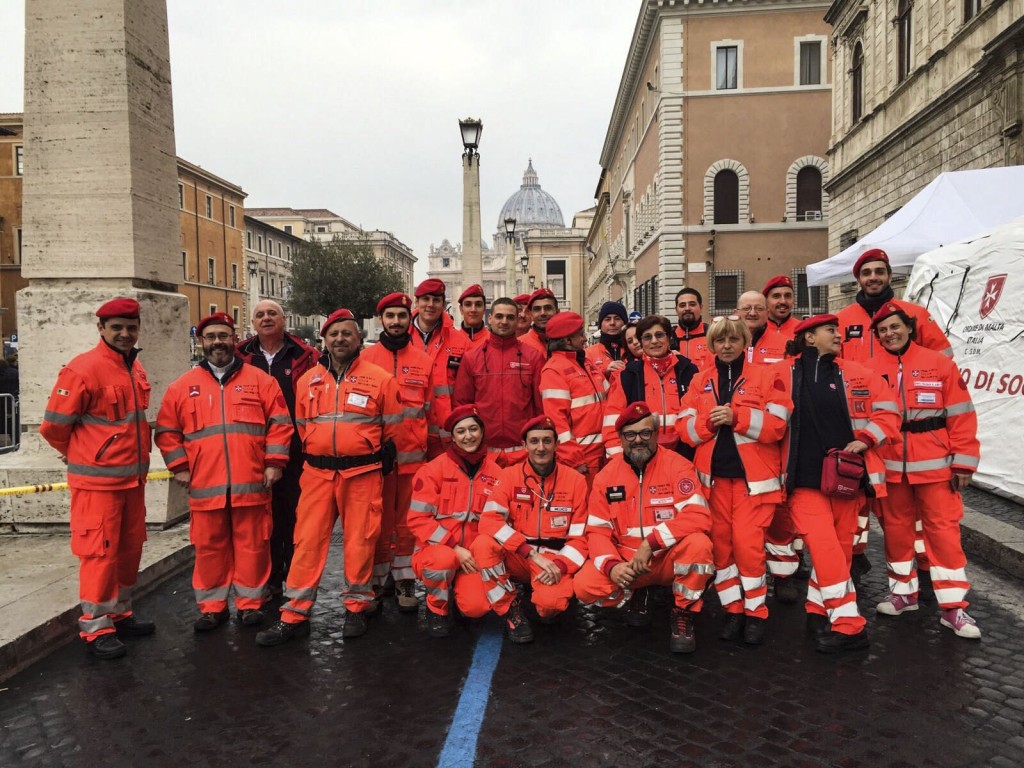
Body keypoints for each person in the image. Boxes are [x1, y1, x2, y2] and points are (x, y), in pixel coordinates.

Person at [256, 309, 403, 646]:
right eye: (333, 334)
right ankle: (294, 613)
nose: (340, 339)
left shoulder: (380, 379)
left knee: (360, 541)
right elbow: (304, 427)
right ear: (324, 339)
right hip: (317, 474)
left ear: (357, 339)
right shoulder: (308, 380)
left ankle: (357, 606)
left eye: (347, 334)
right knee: (306, 541)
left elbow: (392, 429)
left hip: (363, 473)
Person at [156, 312, 293, 632]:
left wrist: (274, 464)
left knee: (253, 546)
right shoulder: (182, 387)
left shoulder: (261, 381)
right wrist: (179, 468)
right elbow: (166, 431)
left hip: (252, 484)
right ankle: (212, 607)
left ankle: (250, 604)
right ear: (201, 342)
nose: (218, 342)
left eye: (224, 335)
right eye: (211, 337)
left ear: (235, 339)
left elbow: (280, 424)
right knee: (209, 548)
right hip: (205, 487)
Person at [40, 298, 156, 660]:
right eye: (117, 327)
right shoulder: (82, 370)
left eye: (131, 327)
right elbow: (54, 427)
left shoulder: (134, 369)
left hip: (132, 483)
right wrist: (81, 455)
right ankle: (96, 626)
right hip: (98, 485)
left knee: (128, 550)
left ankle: (120, 614)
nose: (125, 333)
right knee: (99, 555)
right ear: (101, 329)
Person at [776, 314, 900, 653]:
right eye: (830, 330)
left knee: (841, 550)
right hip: (802, 481)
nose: (838, 335)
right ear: (809, 338)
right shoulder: (782, 372)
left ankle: (818, 611)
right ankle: (850, 627)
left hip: (847, 479)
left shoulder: (857, 373)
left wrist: (865, 438)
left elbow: (889, 411)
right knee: (826, 549)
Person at [837, 248, 952, 582]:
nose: (873, 277)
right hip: (860, 429)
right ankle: (855, 556)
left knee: (907, 511)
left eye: (879, 271)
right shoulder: (844, 320)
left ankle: (926, 565)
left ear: (889, 275)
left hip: (914, 431)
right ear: (857, 278)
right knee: (856, 502)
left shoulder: (915, 314)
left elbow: (943, 361)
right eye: (867, 272)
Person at [870, 303, 982, 638]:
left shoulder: (939, 364)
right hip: (890, 465)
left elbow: (961, 414)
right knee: (896, 530)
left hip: (936, 466)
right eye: (884, 330)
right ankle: (904, 593)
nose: (890, 334)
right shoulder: (870, 368)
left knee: (944, 535)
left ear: (909, 327)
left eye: (895, 327)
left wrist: (964, 460)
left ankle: (954, 608)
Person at [677, 316, 790, 645]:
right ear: (711, 345)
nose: (727, 346)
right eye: (720, 341)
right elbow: (683, 429)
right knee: (722, 550)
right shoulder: (700, 381)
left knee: (749, 547)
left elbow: (778, 425)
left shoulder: (766, 377)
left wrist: (737, 417)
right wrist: (709, 425)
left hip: (752, 483)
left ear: (745, 343)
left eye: (733, 340)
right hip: (711, 483)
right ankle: (734, 609)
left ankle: (756, 612)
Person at [574, 403, 715, 654]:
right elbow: (597, 531)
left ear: (656, 434)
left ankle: (683, 611)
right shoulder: (606, 477)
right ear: (620, 439)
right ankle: (635, 592)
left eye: (645, 433)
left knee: (700, 545)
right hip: (628, 563)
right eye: (630, 434)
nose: (638, 440)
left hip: (666, 558)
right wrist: (612, 566)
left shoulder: (678, 466)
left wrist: (650, 543)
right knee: (584, 586)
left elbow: (699, 516)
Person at [472, 416, 589, 643]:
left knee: (550, 607)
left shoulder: (576, 481)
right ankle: (509, 608)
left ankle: (550, 593)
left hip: (554, 558)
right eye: (534, 441)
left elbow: (581, 537)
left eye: (547, 441)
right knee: (483, 544)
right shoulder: (508, 477)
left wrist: (560, 565)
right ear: (525, 446)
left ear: (556, 445)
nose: (541, 447)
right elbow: (489, 521)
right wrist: (529, 552)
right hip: (519, 554)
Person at [236, 299, 317, 597]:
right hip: (252, 452)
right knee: (261, 521)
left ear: (284, 320)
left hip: (297, 452)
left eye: (272, 314)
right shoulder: (240, 357)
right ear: (253, 322)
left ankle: (293, 577)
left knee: (294, 516)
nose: (266, 318)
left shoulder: (306, 356)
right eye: (260, 315)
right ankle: (269, 578)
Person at [362, 292, 434, 612]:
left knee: (407, 523)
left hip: (413, 460)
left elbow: (433, 410)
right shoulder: (365, 360)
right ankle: (377, 579)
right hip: (375, 460)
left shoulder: (424, 360)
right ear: (381, 319)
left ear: (410, 319)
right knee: (376, 521)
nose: (395, 321)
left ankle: (405, 578)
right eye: (390, 316)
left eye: (401, 316)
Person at [407, 405, 500, 637]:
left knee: (477, 608)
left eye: (473, 429)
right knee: (443, 561)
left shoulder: (497, 473)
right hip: (438, 551)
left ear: (482, 432)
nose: (468, 436)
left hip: (473, 557)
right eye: (461, 431)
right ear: (453, 437)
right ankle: (436, 608)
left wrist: (481, 553)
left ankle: (460, 593)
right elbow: (418, 520)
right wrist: (454, 547)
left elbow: (499, 522)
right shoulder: (432, 471)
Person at [454, 296, 545, 467]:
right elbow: (462, 405)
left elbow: (540, 407)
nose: (504, 321)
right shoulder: (472, 358)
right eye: (499, 316)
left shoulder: (533, 357)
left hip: (523, 453)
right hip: (483, 454)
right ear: (490, 318)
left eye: (510, 317)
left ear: (518, 320)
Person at [603, 315, 699, 460]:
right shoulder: (627, 376)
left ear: (669, 338)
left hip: (685, 454)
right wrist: (620, 460)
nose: (654, 341)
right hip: (642, 456)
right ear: (641, 343)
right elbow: (612, 423)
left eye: (659, 335)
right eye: (647, 337)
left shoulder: (689, 371)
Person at [539, 312, 609, 483]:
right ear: (567, 341)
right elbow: (557, 421)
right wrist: (574, 459)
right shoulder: (554, 370)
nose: (585, 339)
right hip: (583, 458)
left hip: (603, 453)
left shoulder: (586, 363)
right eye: (581, 334)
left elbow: (610, 397)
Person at [408, 278, 469, 459]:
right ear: (417, 302)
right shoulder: (401, 339)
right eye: (425, 299)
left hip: (447, 436)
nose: (430, 305)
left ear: (443, 304)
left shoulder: (461, 342)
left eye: (436, 300)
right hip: (409, 436)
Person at [669, 288, 713, 369]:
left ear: (701, 307)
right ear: (676, 310)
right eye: (682, 305)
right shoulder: (668, 337)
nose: (687, 308)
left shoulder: (712, 334)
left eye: (692, 304)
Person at [585, 301, 630, 380]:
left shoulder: (633, 350)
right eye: (607, 319)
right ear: (600, 325)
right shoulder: (588, 354)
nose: (612, 323)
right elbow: (585, 382)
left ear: (624, 323)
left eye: (617, 319)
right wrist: (605, 372)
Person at [520, 287, 559, 358]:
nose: (543, 313)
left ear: (557, 312)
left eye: (548, 308)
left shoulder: (569, 342)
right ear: (530, 314)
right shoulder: (520, 344)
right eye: (537, 309)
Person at [458, 283, 490, 349]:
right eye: (468, 304)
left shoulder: (493, 341)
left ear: (484, 309)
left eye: (478, 305)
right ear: (461, 309)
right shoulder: (451, 341)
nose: (473, 310)